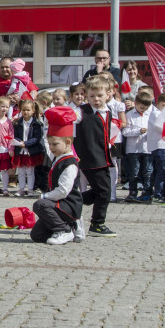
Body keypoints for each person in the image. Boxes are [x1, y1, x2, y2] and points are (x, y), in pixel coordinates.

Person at [30, 106, 84, 245]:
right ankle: (70, 227)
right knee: (37, 235)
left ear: (67, 143)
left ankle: (64, 229)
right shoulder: (58, 159)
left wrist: (45, 196)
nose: (52, 148)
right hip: (59, 203)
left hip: (68, 204)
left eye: (55, 144)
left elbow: (63, 190)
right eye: (50, 144)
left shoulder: (70, 163)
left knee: (40, 205)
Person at [74, 77, 118, 237]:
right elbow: (71, 117)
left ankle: (72, 199)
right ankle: (97, 224)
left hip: (103, 156)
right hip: (89, 156)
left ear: (108, 94)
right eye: (92, 96)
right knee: (104, 191)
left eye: (99, 95)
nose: (96, 99)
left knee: (102, 190)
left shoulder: (108, 111)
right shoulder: (81, 111)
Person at [122, 91, 153, 203]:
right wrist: (138, 131)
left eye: (145, 108)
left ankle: (148, 191)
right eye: (141, 107)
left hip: (147, 148)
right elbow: (125, 131)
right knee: (134, 172)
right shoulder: (129, 115)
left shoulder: (151, 115)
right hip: (133, 149)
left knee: (148, 171)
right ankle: (133, 192)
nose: (143, 110)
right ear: (135, 103)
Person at [13, 99, 44, 197]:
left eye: (28, 110)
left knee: (30, 171)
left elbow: (37, 137)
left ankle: (30, 189)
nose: (26, 112)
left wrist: (26, 143)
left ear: (33, 111)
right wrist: (19, 142)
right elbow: (14, 135)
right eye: (24, 110)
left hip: (30, 151)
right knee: (21, 171)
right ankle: (21, 189)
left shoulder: (37, 123)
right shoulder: (18, 123)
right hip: (20, 151)